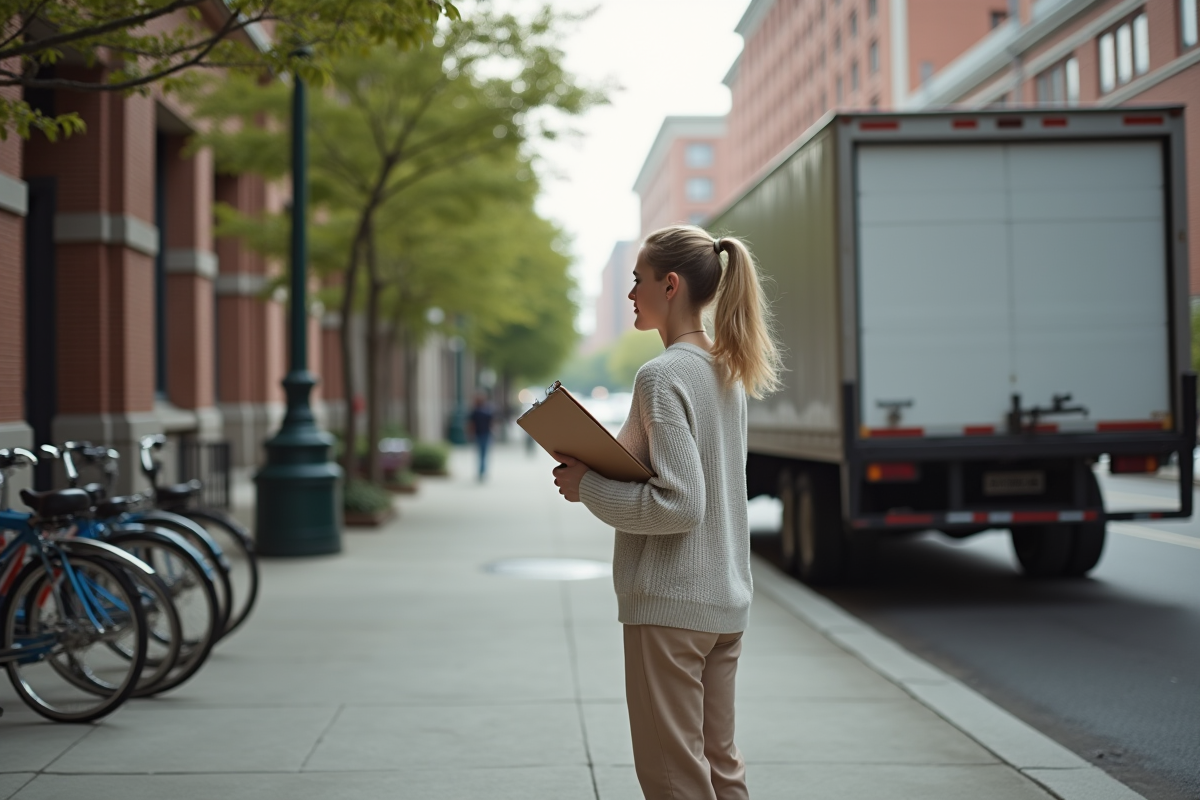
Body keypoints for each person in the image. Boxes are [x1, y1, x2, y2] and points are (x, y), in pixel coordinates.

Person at [551, 225, 781, 800]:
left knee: (674, 779)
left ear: (670, 285)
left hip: (672, 604)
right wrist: (595, 462)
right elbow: (674, 471)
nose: (631, 293)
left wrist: (587, 488)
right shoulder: (726, 368)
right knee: (721, 767)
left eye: (638, 280)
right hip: (724, 602)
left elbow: (680, 504)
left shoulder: (662, 375)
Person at [468, 391, 495, 481]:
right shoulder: (487, 411)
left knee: (480, 454)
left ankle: (481, 471)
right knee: (484, 454)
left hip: (480, 434)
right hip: (485, 434)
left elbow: (471, 424)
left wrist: (470, 434)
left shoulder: (475, 411)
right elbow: (491, 423)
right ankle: (482, 471)